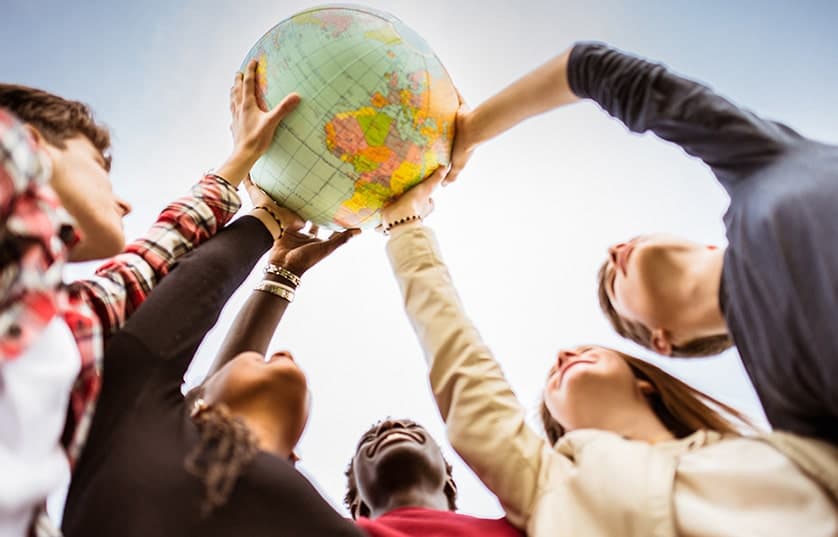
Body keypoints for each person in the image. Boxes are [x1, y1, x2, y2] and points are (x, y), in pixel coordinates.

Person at [376, 168, 837, 537]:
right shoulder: (546, 485)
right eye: (549, 397)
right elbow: (463, 364)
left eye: (588, 349)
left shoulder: (783, 445)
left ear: (644, 379)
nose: (562, 356)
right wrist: (405, 228)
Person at [444, 42, 838, 444]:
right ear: (661, 340)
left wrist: (470, 132)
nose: (615, 251)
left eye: (630, 243)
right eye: (615, 286)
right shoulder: (790, 408)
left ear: (707, 245)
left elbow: (589, 68)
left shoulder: (754, 163)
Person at [0, 58, 299, 535]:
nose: (123, 202)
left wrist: (266, 212)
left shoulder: (65, 326)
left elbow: (147, 265)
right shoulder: (9, 153)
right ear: (33, 146)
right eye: (99, 166)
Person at [345, 418, 521, 536]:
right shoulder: (324, 529)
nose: (391, 425)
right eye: (368, 440)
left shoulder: (530, 527)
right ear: (357, 506)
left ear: (449, 482)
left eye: (413, 428)